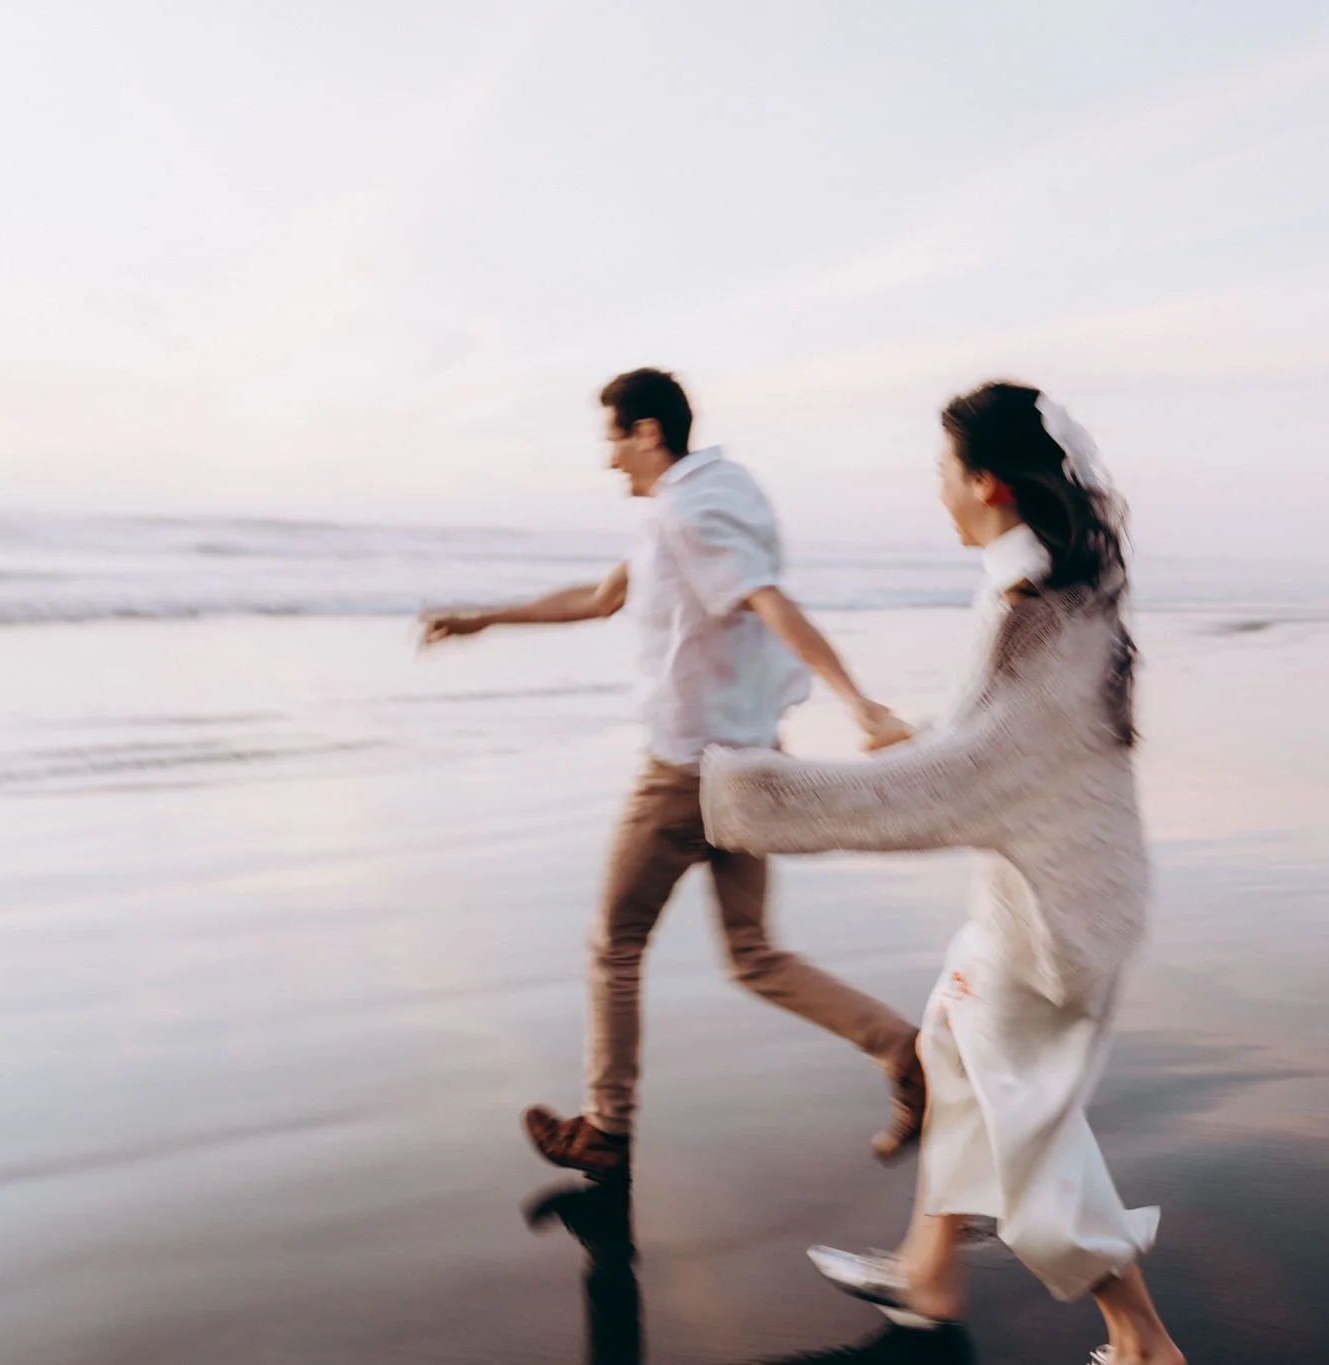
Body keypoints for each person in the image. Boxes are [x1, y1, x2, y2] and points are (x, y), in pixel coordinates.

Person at [700, 383, 1184, 1365]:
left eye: (941, 474)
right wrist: (912, 736)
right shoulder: (1048, 587)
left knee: (1028, 1134)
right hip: (1045, 894)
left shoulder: (1032, 609)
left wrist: (739, 797)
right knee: (952, 1060)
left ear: (988, 484)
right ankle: (929, 1275)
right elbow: (1003, 752)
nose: (935, 492)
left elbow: (962, 785)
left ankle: (1142, 1344)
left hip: (1055, 921)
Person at [422, 368, 924, 1180]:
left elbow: (768, 600)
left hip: (688, 773)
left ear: (648, 431)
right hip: (749, 761)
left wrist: (859, 702)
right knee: (754, 952)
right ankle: (906, 1051)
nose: (609, 459)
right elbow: (601, 595)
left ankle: (607, 1129)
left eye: (614, 439)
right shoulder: (706, 497)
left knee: (613, 944)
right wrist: (485, 618)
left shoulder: (689, 510)